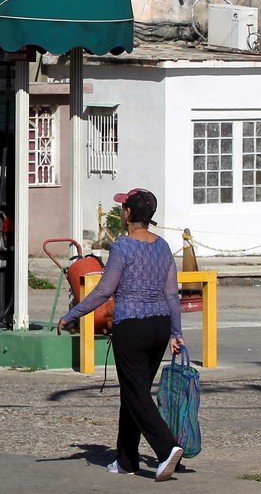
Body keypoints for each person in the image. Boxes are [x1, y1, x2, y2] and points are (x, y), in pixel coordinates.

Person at [58, 187, 185, 481]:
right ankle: (127, 460)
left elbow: (104, 290)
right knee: (134, 392)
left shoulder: (122, 247)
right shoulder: (163, 246)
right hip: (159, 327)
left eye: (123, 208)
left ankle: (167, 448)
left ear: (127, 213)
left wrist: (72, 314)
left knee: (134, 393)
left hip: (132, 327)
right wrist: (176, 333)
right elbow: (171, 294)